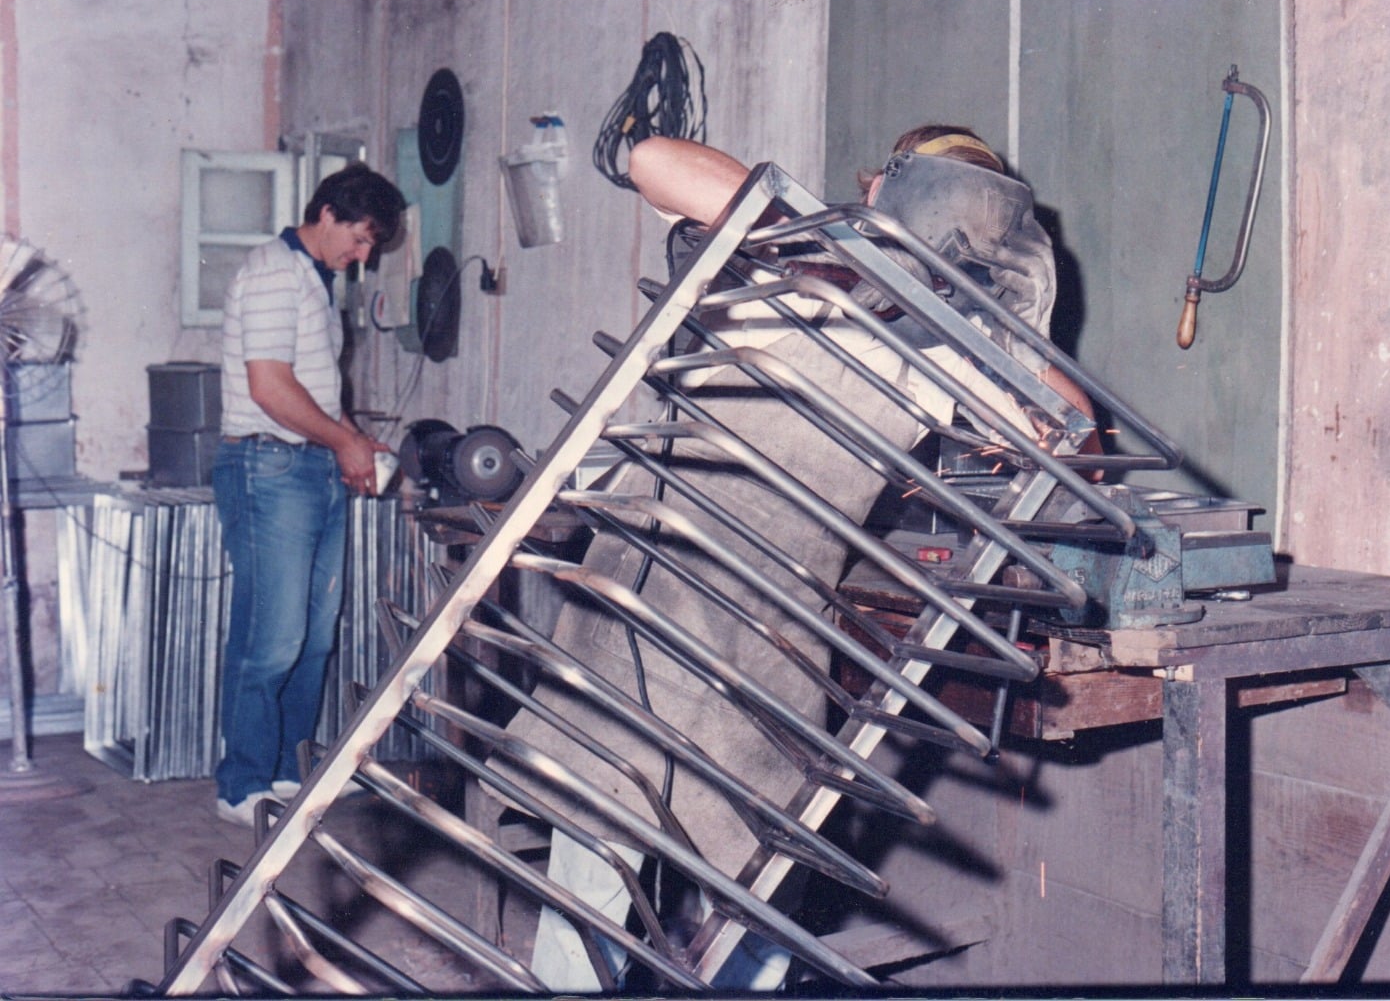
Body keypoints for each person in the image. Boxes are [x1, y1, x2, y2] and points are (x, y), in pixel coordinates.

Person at [511, 127, 1098, 990]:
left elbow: (1075, 426)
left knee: (752, 887)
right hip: (637, 605)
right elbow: (648, 160)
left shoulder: (940, 350)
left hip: (761, 638)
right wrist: (836, 237)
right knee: (592, 867)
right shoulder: (780, 258)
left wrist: (1005, 347)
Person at [211, 162, 406, 826]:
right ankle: (240, 787)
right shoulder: (272, 273)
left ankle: (284, 774)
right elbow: (269, 389)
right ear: (327, 214)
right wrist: (341, 441)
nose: (364, 254)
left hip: (310, 467)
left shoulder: (312, 281)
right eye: (360, 238)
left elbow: (314, 392)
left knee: (314, 637)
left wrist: (351, 439)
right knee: (270, 640)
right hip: (268, 470)